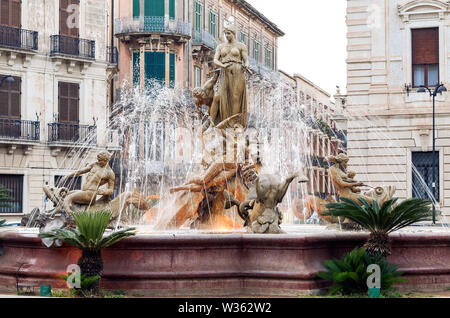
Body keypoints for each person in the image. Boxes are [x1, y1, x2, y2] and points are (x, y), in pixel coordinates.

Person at [213, 23, 249, 128]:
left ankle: (234, 123)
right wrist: (222, 65)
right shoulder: (220, 46)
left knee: (235, 97)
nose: (227, 36)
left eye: (228, 33)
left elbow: (246, 60)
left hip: (238, 72)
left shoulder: (241, 46)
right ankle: (223, 122)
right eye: (225, 34)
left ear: (233, 33)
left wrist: (246, 65)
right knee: (221, 96)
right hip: (225, 72)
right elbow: (215, 60)